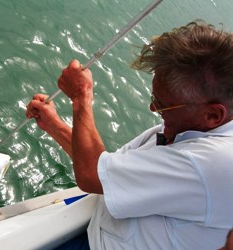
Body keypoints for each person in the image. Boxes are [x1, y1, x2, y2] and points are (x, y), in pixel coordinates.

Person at [26, 20, 233, 249]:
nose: (152, 109)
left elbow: (92, 176)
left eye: (162, 104)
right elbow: (108, 169)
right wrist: (54, 125)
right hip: (95, 227)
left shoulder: (212, 163)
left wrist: (81, 98)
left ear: (213, 115)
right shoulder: (187, 128)